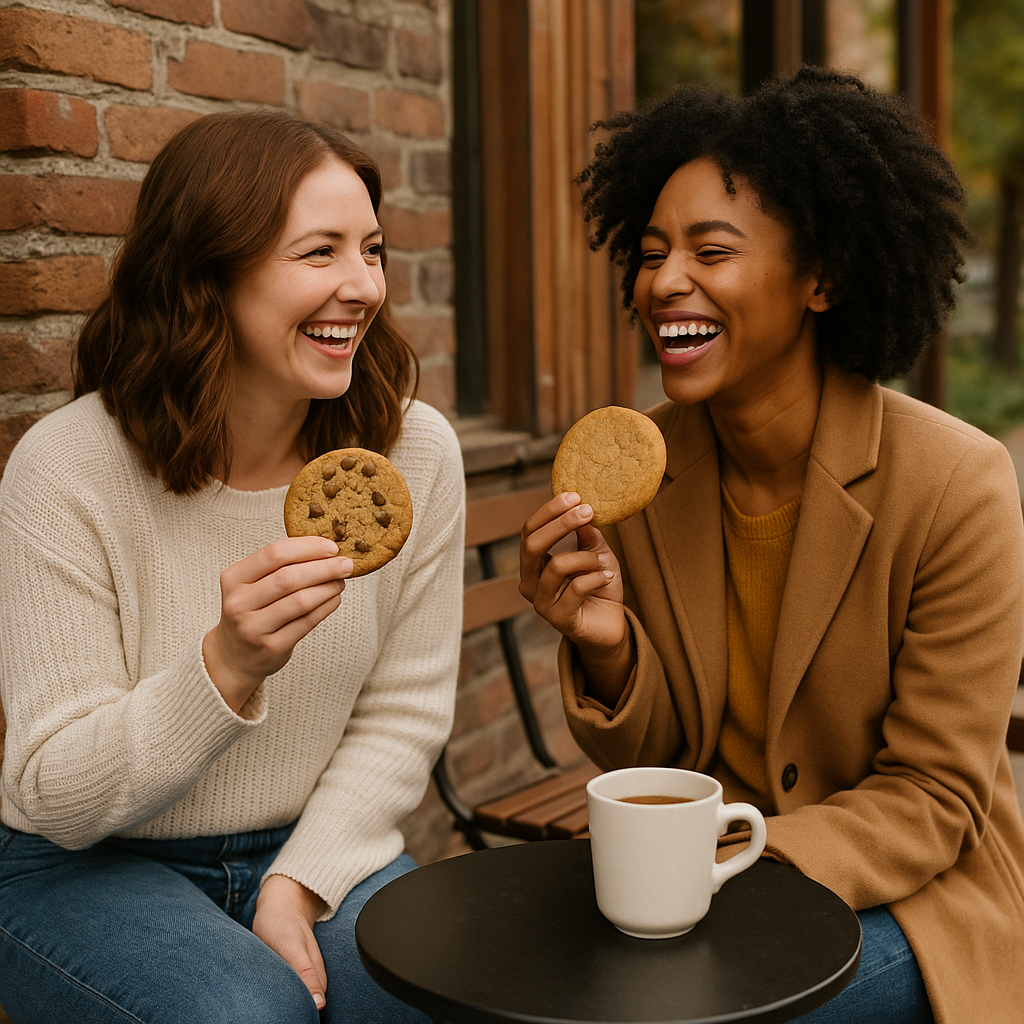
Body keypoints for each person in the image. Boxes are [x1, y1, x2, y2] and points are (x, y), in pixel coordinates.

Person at [520, 67, 1024, 1024]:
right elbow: (667, 752)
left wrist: (727, 855)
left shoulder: (958, 484)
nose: (665, 281)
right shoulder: (648, 474)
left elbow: (932, 799)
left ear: (823, 278)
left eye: (712, 250)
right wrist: (607, 646)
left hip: (910, 901)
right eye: (654, 250)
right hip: (703, 886)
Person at [0, 109, 464, 1023]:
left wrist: (299, 883)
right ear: (208, 271)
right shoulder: (68, 468)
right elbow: (52, 790)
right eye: (319, 252)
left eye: (371, 250)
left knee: (443, 996)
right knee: (247, 1016)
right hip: (86, 864)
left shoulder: (411, 453)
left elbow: (403, 715)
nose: (363, 285)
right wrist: (226, 668)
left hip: (316, 837)